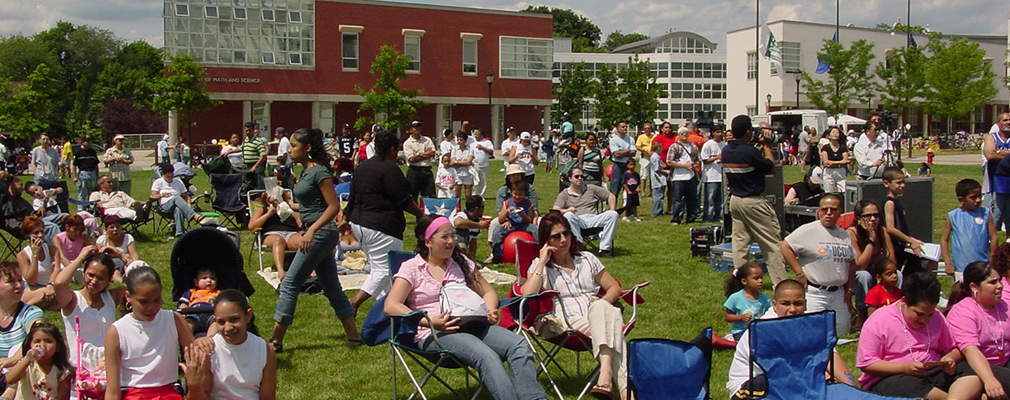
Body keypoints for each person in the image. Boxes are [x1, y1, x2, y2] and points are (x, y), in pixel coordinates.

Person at [387, 215, 549, 400]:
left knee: (517, 344)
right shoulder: (412, 268)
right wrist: (430, 322)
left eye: (453, 236)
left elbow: (488, 292)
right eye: (444, 237)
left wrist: (489, 310)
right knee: (486, 355)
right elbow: (391, 305)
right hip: (435, 333)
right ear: (428, 241)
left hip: (472, 323)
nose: (451, 242)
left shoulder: (460, 263)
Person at [269, 128, 362, 352]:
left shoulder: (319, 172)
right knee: (332, 287)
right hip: (318, 231)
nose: (289, 150)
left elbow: (333, 207)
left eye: (293, 146)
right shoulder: (306, 173)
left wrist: (311, 232)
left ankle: (275, 341)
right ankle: (354, 337)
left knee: (290, 283)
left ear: (307, 148)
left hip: (319, 234)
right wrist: (285, 205)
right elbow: (312, 206)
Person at [521, 212, 626, 399]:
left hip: (596, 314)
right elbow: (527, 294)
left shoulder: (587, 259)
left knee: (603, 310)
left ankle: (606, 378)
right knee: (614, 329)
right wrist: (542, 263)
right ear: (546, 240)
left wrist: (604, 301)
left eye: (567, 233)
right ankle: (626, 392)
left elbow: (613, 288)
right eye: (556, 236)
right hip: (566, 323)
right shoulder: (540, 265)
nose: (563, 239)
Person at [856, 272, 983, 399]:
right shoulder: (879, 319)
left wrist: (950, 358)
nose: (924, 320)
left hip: (931, 371)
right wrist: (903, 368)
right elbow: (867, 364)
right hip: (892, 376)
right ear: (904, 301)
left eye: (930, 314)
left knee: (970, 371)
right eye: (919, 314)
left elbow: (953, 348)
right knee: (907, 385)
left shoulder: (938, 317)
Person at [727, 279, 857, 398]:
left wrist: (852, 391)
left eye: (798, 303)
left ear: (805, 305)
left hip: (790, 381)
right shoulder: (766, 328)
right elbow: (782, 370)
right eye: (785, 304)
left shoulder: (811, 324)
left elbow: (831, 358)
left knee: (825, 384)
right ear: (775, 305)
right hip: (749, 385)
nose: (792, 309)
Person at [343, 130, 425, 312]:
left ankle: (387, 310)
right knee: (385, 270)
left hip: (358, 224)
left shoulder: (361, 167)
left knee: (379, 270)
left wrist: (346, 218)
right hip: (382, 226)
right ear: (391, 149)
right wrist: (422, 216)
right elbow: (403, 199)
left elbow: (352, 198)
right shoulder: (390, 169)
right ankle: (354, 302)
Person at [104, 266, 195, 400]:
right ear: (128, 297)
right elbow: (112, 391)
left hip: (168, 394)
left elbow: (195, 357)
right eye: (144, 302)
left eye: (157, 300)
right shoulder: (117, 331)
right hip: (133, 395)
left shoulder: (174, 320)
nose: (151, 308)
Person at [723, 115, 787, 286]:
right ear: (748, 132)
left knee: (740, 244)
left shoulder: (726, 150)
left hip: (735, 200)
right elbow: (771, 167)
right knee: (772, 244)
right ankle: (780, 283)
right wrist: (767, 146)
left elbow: (749, 160)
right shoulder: (750, 151)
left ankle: (742, 281)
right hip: (753, 201)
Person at [183, 289, 277, 400]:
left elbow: (267, 397)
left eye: (234, 319)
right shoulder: (210, 350)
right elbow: (203, 395)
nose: (228, 328)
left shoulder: (265, 350)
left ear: (248, 316)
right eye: (221, 322)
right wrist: (194, 386)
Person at [782, 194, 856, 335]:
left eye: (833, 210)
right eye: (824, 209)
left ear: (840, 212)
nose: (828, 213)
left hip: (839, 293)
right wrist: (799, 273)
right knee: (810, 332)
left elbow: (852, 262)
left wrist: (850, 289)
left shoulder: (844, 234)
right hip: (815, 292)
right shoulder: (809, 230)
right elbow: (785, 246)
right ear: (819, 212)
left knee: (842, 332)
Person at [52, 248, 125, 374]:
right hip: (80, 370)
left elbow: (141, 283)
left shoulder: (111, 297)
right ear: (84, 273)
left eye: (101, 278)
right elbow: (59, 283)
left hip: (107, 366)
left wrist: (122, 255)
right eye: (90, 275)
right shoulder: (72, 300)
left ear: (109, 281)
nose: (94, 281)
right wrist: (80, 258)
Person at [946, 261, 1010, 399]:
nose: (1000, 286)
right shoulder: (963, 311)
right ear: (974, 287)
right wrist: (989, 380)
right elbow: (970, 350)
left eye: (999, 281)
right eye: (993, 282)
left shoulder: (1003, 305)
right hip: (978, 366)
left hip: (1005, 361)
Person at [847, 199, 896, 330]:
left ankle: (894, 309)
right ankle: (862, 315)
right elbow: (860, 265)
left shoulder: (882, 231)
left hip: (878, 271)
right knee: (864, 276)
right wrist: (871, 241)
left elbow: (891, 261)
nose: (873, 219)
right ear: (858, 218)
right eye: (868, 216)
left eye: (876, 215)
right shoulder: (852, 233)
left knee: (898, 275)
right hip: (857, 275)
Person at [553, 166, 619, 258]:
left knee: (613, 214)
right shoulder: (565, 194)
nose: (580, 178)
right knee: (568, 215)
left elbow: (611, 196)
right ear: (570, 179)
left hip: (594, 218)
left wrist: (612, 209)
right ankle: (579, 246)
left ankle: (604, 249)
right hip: (577, 220)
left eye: (581, 176)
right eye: (577, 176)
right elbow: (555, 210)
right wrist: (567, 210)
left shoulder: (591, 188)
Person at [942, 179, 998, 282]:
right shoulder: (953, 216)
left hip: (982, 266)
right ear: (961, 199)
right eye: (973, 197)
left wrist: (993, 258)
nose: (978, 200)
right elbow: (944, 240)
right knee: (961, 294)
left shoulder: (985, 213)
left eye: (979, 196)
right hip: (961, 267)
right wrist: (948, 263)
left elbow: (993, 237)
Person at [485, 165, 541, 263]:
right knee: (496, 227)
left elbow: (533, 210)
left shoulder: (529, 190)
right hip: (510, 221)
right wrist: (506, 218)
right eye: (512, 175)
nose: (515, 177)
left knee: (538, 228)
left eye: (517, 175)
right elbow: (500, 213)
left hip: (526, 222)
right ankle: (495, 254)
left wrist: (531, 219)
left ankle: (539, 251)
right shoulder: (503, 193)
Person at [883, 166, 932, 277]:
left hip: (903, 243)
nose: (903, 185)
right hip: (896, 247)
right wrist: (910, 241)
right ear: (887, 183)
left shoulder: (896, 201)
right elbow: (890, 228)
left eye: (904, 182)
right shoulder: (889, 203)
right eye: (898, 183)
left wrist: (914, 240)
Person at [4, 322, 72, 400]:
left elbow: (63, 397)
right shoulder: (27, 366)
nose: (42, 345)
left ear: (58, 347)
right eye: (37, 341)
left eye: (48, 341)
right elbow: (10, 379)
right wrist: (28, 358)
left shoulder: (63, 371)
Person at [249, 191, 301, 281]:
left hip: (291, 234)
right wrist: (268, 214)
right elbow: (252, 226)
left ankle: (310, 270)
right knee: (278, 240)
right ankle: (281, 272)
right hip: (271, 234)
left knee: (302, 241)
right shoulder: (262, 210)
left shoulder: (290, 211)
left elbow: (301, 225)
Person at [0, 173, 64, 242]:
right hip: (26, 227)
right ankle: (59, 250)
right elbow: (16, 224)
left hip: (37, 220)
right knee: (51, 227)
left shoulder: (20, 199)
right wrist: (10, 176)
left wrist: (41, 208)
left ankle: (73, 246)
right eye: (20, 185)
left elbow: (32, 214)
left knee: (65, 217)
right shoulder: (5, 199)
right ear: (12, 184)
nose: (22, 188)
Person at [15, 216, 60, 309]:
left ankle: (38, 305)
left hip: (50, 286)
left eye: (42, 232)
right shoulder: (22, 255)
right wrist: (35, 256)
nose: (40, 235)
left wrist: (50, 285)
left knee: (65, 296)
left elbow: (56, 270)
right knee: (50, 296)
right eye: (36, 233)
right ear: (28, 236)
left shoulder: (52, 249)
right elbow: (31, 279)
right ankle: (21, 308)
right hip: (31, 288)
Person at [150, 163, 204, 238]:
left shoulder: (178, 182)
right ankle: (194, 215)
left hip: (178, 205)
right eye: (168, 176)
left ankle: (179, 233)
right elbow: (152, 196)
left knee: (178, 209)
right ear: (163, 174)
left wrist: (188, 203)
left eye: (172, 176)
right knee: (177, 198)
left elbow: (186, 196)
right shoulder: (158, 182)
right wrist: (161, 195)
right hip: (164, 205)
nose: (170, 178)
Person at [723, 263, 772, 341]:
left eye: (761, 278)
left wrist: (764, 318)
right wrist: (741, 317)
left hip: (758, 331)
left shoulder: (765, 299)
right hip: (740, 331)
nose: (761, 281)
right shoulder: (735, 297)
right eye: (756, 278)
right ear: (744, 281)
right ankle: (730, 338)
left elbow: (771, 314)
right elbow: (727, 317)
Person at [491, 182, 536, 263]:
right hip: (511, 224)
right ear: (511, 193)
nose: (517, 196)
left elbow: (529, 220)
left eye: (520, 194)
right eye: (515, 194)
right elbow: (500, 219)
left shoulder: (528, 204)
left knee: (536, 229)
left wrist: (523, 215)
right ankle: (497, 255)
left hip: (524, 225)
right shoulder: (507, 203)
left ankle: (538, 251)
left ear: (524, 194)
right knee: (498, 231)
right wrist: (506, 212)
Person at [983, 113, 1010, 234]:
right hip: (995, 187)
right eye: (1005, 120)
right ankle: (990, 251)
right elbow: (990, 155)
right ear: (998, 123)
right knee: (992, 223)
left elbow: (994, 153)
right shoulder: (991, 137)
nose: (1008, 122)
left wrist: (999, 151)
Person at [667, 129, 700, 224]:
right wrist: (684, 166)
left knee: (692, 199)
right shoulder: (674, 147)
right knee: (677, 199)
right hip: (678, 177)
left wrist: (694, 166)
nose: (685, 135)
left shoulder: (693, 146)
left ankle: (691, 218)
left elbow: (698, 159)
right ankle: (676, 218)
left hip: (691, 176)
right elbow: (670, 161)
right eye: (682, 133)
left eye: (686, 133)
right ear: (678, 135)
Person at [403, 121, 437, 203]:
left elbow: (432, 153)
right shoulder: (407, 143)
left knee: (431, 194)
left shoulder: (427, 140)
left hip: (426, 169)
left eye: (419, 127)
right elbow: (411, 159)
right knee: (414, 194)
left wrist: (418, 155)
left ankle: (430, 212)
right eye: (415, 127)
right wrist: (425, 154)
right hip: (414, 170)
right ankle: (418, 214)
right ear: (410, 130)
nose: (417, 129)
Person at [95, 215, 138, 280]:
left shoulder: (128, 238)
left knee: (127, 259)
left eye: (118, 226)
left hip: (125, 264)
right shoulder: (101, 240)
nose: (115, 229)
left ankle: (127, 275)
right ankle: (121, 280)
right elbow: (99, 260)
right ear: (106, 230)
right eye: (111, 227)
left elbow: (135, 257)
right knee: (115, 273)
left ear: (121, 227)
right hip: (110, 267)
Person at [451, 195, 491, 260]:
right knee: (463, 231)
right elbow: (458, 223)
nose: (483, 210)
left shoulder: (475, 221)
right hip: (450, 247)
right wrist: (479, 225)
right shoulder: (461, 215)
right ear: (476, 208)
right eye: (482, 207)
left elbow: (473, 242)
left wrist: (472, 258)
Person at [700, 127, 726, 223]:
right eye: (717, 132)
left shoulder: (723, 145)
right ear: (713, 133)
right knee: (709, 198)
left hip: (721, 175)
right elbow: (705, 160)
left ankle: (719, 216)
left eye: (721, 132)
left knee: (720, 198)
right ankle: (708, 217)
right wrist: (717, 157)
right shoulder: (708, 144)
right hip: (710, 176)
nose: (720, 134)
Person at [608, 122, 636, 196]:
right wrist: (627, 151)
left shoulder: (630, 139)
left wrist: (622, 152)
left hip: (628, 165)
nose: (625, 128)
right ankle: (613, 207)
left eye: (626, 127)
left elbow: (633, 153)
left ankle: (628, 206)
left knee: (630, 187)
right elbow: (616, 154)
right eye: (623, 127)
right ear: (617, 129)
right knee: (615, 188)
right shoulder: (614, 140)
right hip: (618, 166)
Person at [819, 127, 850, 193]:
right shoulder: (826, 147)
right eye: (833, 132)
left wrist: (833, 162)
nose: (835, 134)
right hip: (829, 172)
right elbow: (826, 161)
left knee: (844, 191)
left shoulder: (843, 147)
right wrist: (840, 162)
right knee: (829, 192)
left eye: (837, 132)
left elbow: (846, 160)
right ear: (829, 135)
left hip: (840, 171)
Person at [242, 122, 269, 188]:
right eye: (246, 131)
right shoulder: (246, 140)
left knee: (259, 185)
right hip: (248, 166)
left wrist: (256, 166)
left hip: (257, 166)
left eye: (250, 130)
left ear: (253, 130)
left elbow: (263, 155)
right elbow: (241, 148)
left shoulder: (258, 141)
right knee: (249, 185)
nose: (248, 132)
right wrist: (229, 151)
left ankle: (260, 197)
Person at [451, 131, 475, 198]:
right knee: (457, 194)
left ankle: (468, 207)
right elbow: (452, 162)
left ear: (465, 140)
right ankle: (458, 208)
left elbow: (468, 162)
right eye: (458, 140)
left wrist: (457, 162)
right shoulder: (455, 149)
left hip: (468, 173)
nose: (459, 141)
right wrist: (463, 163)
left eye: (461, 140)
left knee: (468, 194)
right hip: (457, 173)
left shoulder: (470, 149)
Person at [471, 129, 494, 196]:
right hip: (474, 164)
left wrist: (482, 147)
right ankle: (474, 195)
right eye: (475, 134)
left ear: (481, 135)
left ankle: (481, 196)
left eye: (477, 134)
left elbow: (491, 152)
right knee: (474, 181)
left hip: (484, 165)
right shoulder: (472, 142)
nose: (475, 136)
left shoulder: (487, 142)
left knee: (483, 182)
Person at [649, 142, 669, 218]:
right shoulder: (655, 157)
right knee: (658, 196)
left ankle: (659, 211)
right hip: (657, 180)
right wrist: (666, 171)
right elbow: (656, 169)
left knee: (660, 196)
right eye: (661, 148)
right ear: (658, 148)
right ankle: (656, 212)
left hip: (660, 179)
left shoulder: (657, 157)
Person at [635, 123, 654, 196]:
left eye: (649, 128)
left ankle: (651, 192)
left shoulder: (654, 136)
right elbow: (637, 146)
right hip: (645, 157)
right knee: (644, 175)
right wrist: (645, 150)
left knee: (652, 176)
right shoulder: (641, 137)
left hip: (653, 157)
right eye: (646, 129)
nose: (647, 130)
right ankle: (643, 192)